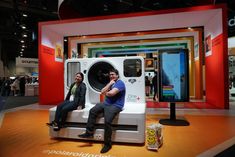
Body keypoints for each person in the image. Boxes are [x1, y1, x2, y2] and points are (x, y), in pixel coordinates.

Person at [78, 69, 126, 154]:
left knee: (107, 121)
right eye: (110, 75)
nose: (111, 76)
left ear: (117, 75)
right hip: (106, 103)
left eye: (113, 74)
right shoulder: (110, 83)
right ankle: (89, 133)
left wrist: (105, 92)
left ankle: (107, 144)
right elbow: (102, 91)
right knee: (92, 111)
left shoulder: (120, 83)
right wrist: (109, 85)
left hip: (116, 105)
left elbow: (111, 93)